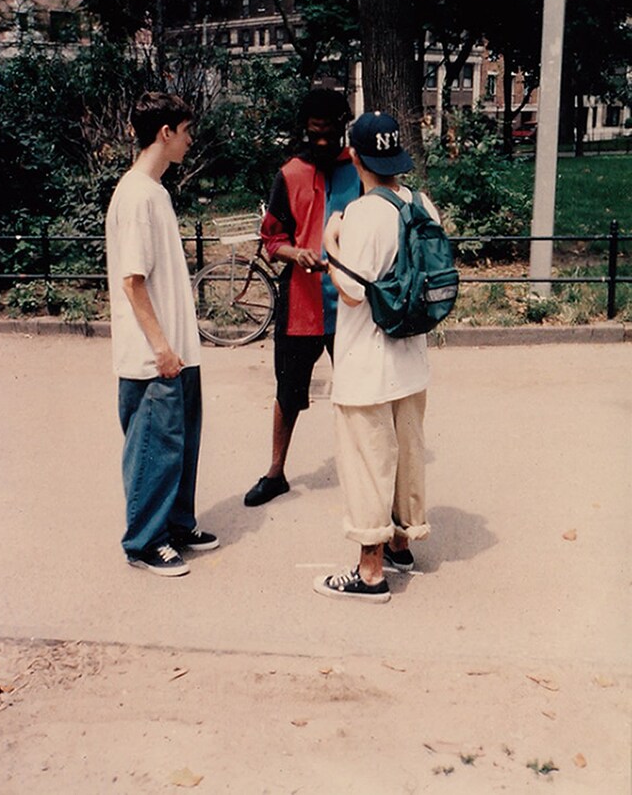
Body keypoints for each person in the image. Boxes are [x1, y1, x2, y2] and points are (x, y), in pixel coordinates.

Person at [314, 110, 437, 602]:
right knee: (407, 455)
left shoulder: (364, 213)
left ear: (356, 156)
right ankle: (403, 543)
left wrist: (330, 240)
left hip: (367, 361)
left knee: (368, 461)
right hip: (411, 358)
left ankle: (369, 573)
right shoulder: (420, 202)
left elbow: (349, 289)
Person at [105, 91, 219, 576]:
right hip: (155, 354)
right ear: (165, 133)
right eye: (187, 131)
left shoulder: (156, 192)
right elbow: (132, 280)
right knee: (155, 444)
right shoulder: (135, 195)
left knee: (180, 441)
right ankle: (145, 541)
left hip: (176, 348)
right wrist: (160, 347)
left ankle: (174, 524)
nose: (191, 140)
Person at [244, 89, 361, 507]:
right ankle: (275, 473)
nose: (323, 141)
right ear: (305, 131)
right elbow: (272, 238)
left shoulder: (360, 169)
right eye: (315, 134)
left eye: (330, 133)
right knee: (288, 391)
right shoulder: (289, 173)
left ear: (342, 127)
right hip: (302, 307)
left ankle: (361, 476)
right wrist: (297, 252)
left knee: (359, 393)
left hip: (351, 305)